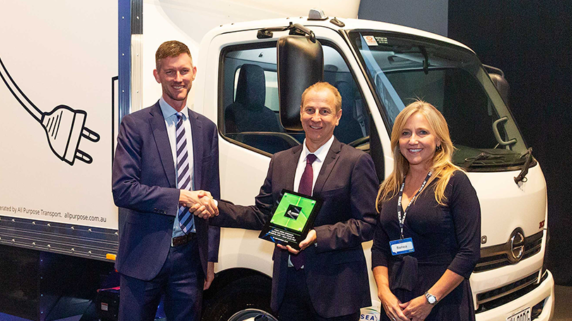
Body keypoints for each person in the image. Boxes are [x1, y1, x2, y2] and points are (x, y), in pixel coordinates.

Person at [209, 82, 378, 320]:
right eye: (309, 110)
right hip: (287, 286)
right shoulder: (280, 161)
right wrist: (215, 207)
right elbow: (262, 214)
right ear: (300, 113)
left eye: (324, 111)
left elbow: (368, 223)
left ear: (338, 116)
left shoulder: (356, 162)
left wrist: (318, 235)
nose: (315, 118)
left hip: (335, 290)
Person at [112, 40, 220, 321]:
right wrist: (180, 197)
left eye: (184, 70)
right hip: (143, 257)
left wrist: (209, 259)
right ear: (157, 75)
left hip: (190, 260)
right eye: (169, 72)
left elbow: (213, 196)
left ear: (194, 72)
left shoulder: (207, 129)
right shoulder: (135, 125)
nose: (178, 79)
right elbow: (123, 190)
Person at [371, 101, 480, 321]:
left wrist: (430, 299)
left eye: (422, 132)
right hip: (397, 305)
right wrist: (384, 294)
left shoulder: (455, 183)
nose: (413, 140)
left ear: (438, 140)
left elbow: (469, 253)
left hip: (442, 303)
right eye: (405, 133)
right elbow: (379, 249)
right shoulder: (389, 188)